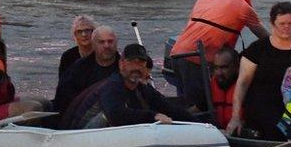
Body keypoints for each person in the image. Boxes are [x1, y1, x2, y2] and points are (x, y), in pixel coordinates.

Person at [226, 2, 291, 141]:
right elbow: (242, 83)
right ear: (273, 24)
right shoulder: (257, 49)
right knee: (276, 129)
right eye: (282, 23)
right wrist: (235, 116)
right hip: (262, 104)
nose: (287, 27)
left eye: (290, 24)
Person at [170, 0, 269, 110]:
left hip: (176, 53)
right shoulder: (243, 6)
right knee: (201, 107)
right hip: (195, 59)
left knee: (187, 102)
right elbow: (266, 38)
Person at [68, 43, 196, 129]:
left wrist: (201, 125)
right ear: (121, 64)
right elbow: (115, 114)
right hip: (82, 135)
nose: (136, 67)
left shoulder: (143, 88)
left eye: (140, 63)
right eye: (131, 62)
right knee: (106, 116)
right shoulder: (113, 85)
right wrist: (153, 116)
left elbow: (168, 108)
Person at [52, 25, 120, 116]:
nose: (106, 46)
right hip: (83, 116)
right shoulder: (79, 68)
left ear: (116, 43)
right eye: (101, 42)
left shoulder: (125, 67)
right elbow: (63, 95)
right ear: (94, 44)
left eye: (110, 41)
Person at [209, 46, 240, 130]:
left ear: (236, 67)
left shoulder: (248, 87)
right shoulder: (212, 86)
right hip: (219, 133)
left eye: (224, 68)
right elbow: (199, 107)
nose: (219, 73)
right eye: (216, 68)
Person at [58, 14, 97, 78]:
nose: (84, 34)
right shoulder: (67, 57)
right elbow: (62, 85)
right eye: (79, 31)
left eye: (87, 30)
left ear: (94, 32)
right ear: (75, 35)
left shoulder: (102, 53)